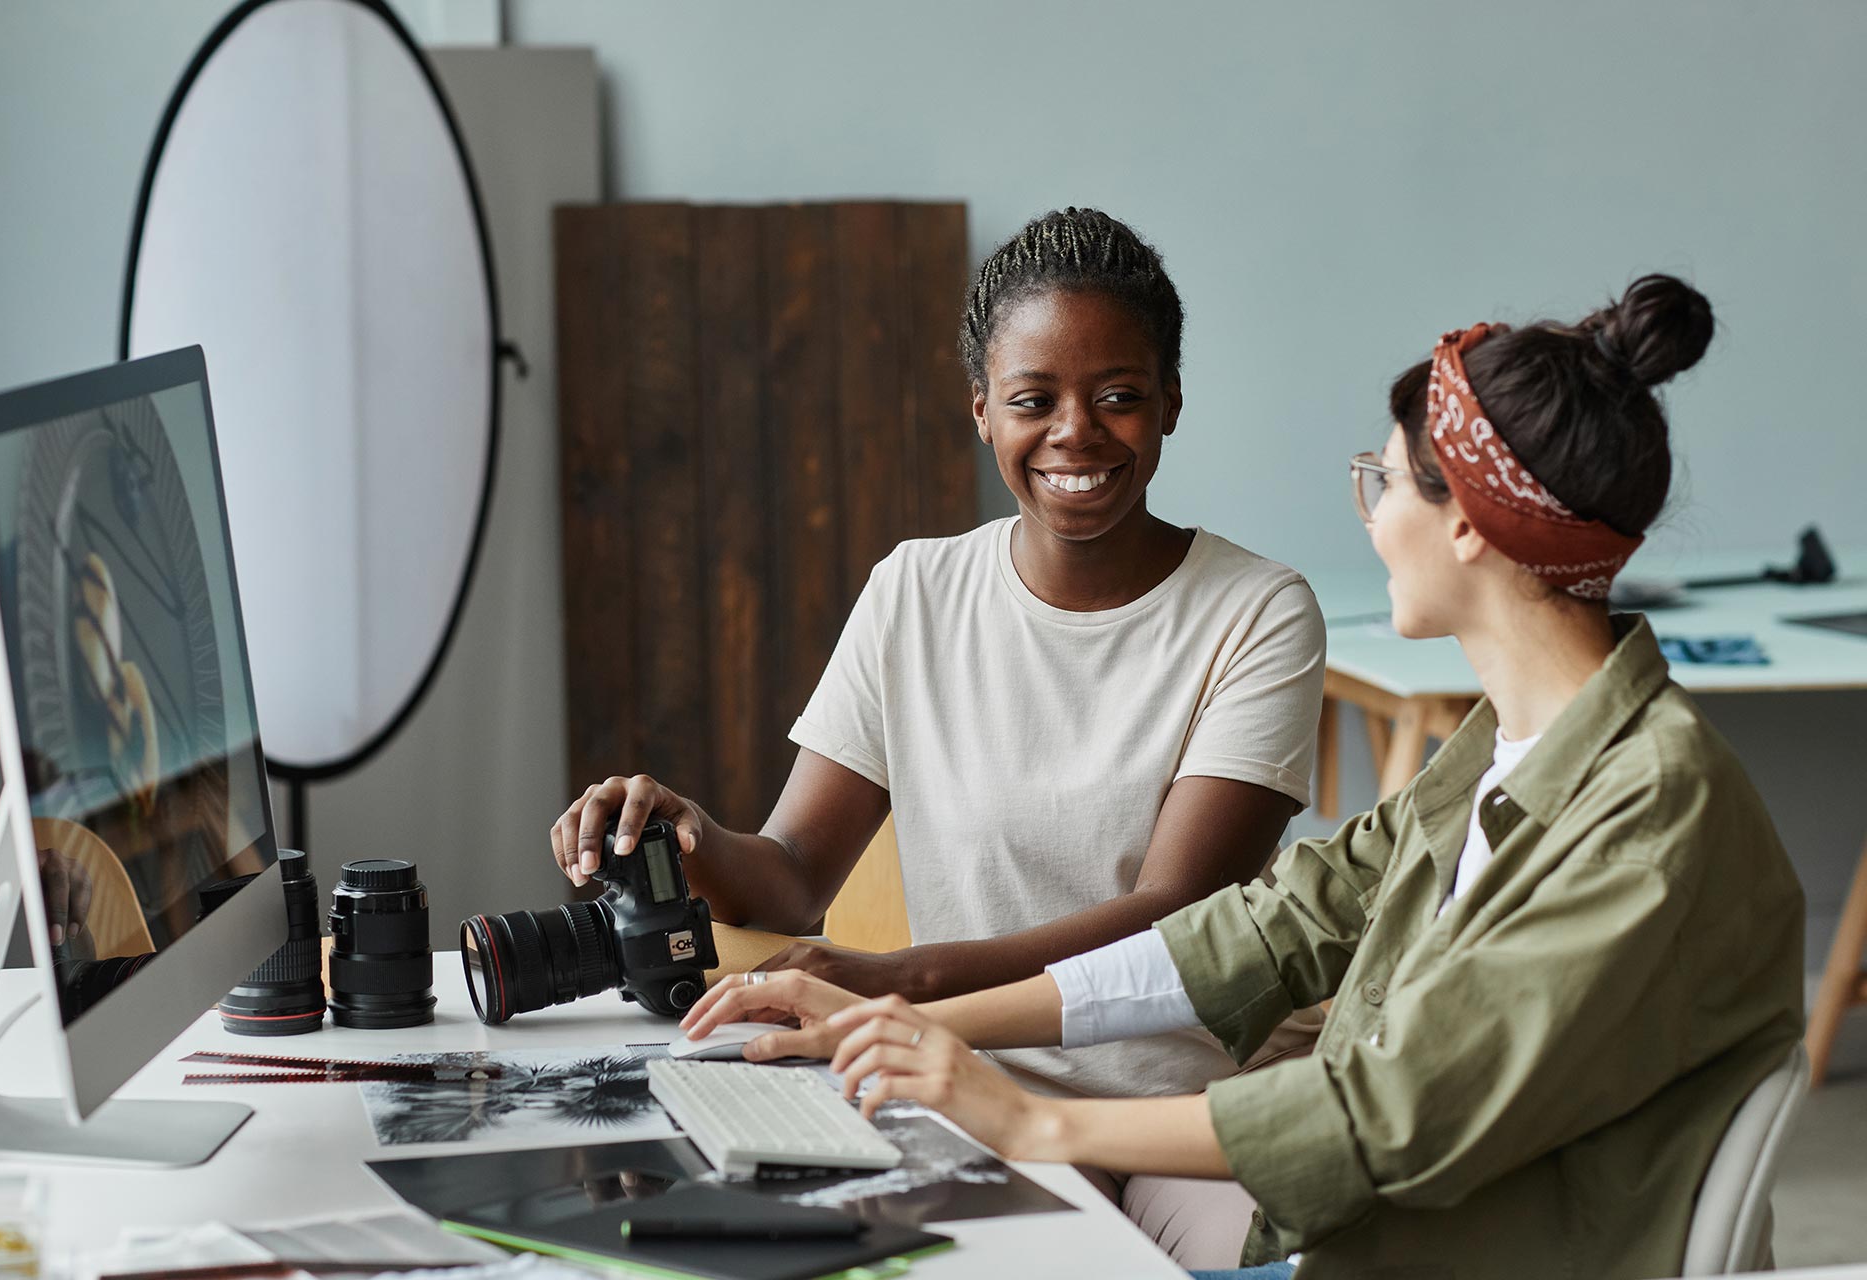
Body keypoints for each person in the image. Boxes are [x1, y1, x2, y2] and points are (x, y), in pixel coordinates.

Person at [681, 275, 1806, 1280]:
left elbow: (1389, 1112)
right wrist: (903, 1019)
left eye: (1384, 482)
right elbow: (1258, 933)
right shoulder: (1506, 751)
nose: (1372, 516)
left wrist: (1035, 1122)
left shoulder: (1645, 811)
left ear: (1467, 522)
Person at [551, 209, 1328, 1265]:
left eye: (1119, 395)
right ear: (981, 410)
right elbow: (788, 878)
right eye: (1033, 399)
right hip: (953, 1088)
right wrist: (687, 833)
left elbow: (1176, 913)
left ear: (1171, 402)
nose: (1077, 433)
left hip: (1169, 1112)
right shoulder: (914, 590)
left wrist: (904, 979)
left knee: (1277, 1260)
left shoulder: (1258, 611)